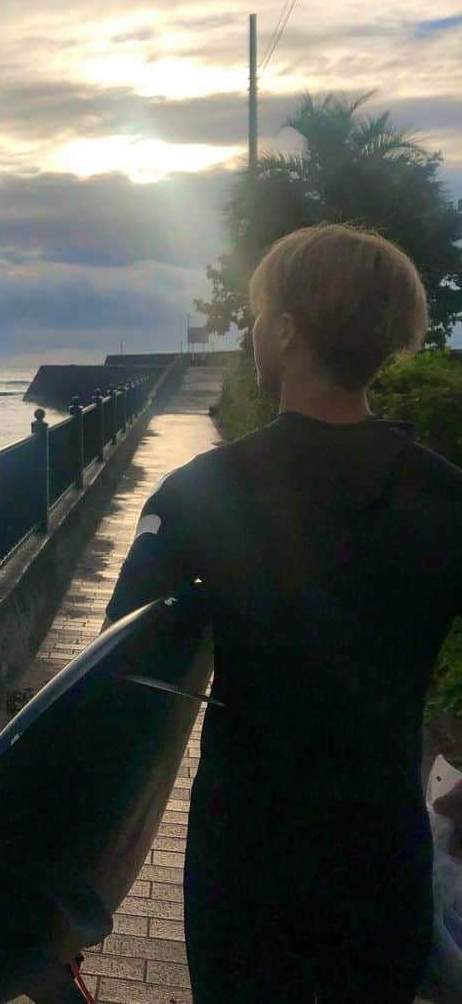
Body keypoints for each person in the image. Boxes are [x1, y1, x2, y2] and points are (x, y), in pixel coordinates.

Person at [101, 222, 461, 1002]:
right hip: (383, 852)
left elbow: (114, 691)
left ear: (289, 328)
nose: (251, 333)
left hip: (248, 856)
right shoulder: (444, 496)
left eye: (258, 316)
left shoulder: (203, 493)